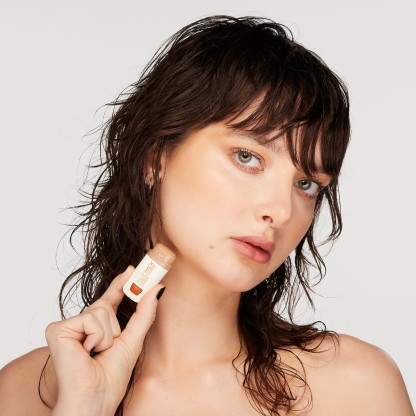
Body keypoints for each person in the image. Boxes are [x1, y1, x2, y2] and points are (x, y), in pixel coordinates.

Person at [0, 15, 413, 416]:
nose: (280, 211)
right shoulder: (25, 394)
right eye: (247, 157)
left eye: (306, 184)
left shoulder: (355, 388)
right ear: (154, 157)